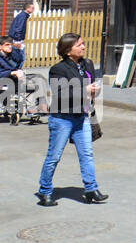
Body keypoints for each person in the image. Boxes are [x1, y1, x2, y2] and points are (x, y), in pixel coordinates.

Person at [37, 33, 107, 206]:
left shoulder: (87, 64)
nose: (83, 47)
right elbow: (59, 95)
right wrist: (84, 89)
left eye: (83, 44)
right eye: (79, 45)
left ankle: (91, 189)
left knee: (87, 155)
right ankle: (45, 191)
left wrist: (94, 91)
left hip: (82, 117)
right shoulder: (58, 69)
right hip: (62, 118)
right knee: (54, 156)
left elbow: (94, 87)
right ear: (68, 51)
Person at [1, 34, 46, 122]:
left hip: (16, 79)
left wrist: (17, 49)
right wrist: (12, 72)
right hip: (4, 81)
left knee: (39, 79)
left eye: (10, 44)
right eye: (7, 45)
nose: (10, 46)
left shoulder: (11, 55)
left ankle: (37, 108)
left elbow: (20, 60)